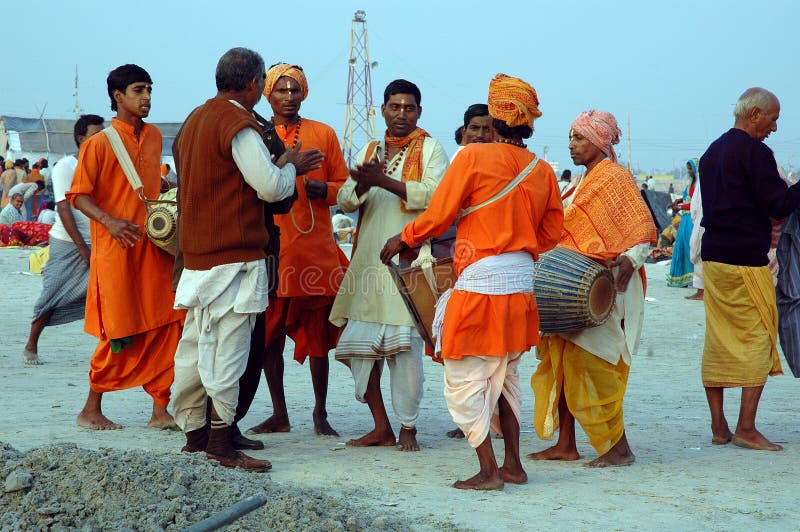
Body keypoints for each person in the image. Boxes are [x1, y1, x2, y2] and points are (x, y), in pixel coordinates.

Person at [382, 73, 563, 489]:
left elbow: (439, 215)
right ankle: (514, 465)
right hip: (521, 285)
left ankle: (488, 471)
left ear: (496, 118)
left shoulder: (472, 157)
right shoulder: (542, 170)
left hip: (481, 281)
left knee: (464, 378)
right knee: (505, 375)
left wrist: (402, 237)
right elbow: (552, 233)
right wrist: (515, 239)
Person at [170, 48, 323, 471]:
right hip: (234, 258)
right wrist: (289, 164)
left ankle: (196, 438)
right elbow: (271, 187)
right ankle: (220, 446)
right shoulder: (239, 124)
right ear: (255, 83)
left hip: (197, 258)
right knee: (228, 352)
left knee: (196, 349)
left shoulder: (194, 120)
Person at [529, 109, 657, 467]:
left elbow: (643, 232)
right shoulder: (578, 184)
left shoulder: (614, 178)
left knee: (596, 366)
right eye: (570, 137)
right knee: (565, 366)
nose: (571, 145)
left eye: (579, 137)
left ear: (600, 141)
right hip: (570, 290)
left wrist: (631, 261)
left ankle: (618, 448)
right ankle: (566, 443)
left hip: (606, 289)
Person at [330, 79, 448, 451]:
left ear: (419, 112)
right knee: (355, 351)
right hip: (368, 266)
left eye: (408, 107)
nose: (401, 114)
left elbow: (435, 197)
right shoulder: (370, 148)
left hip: (408, 264)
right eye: (394, 107)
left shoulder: (431, 148)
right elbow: (346, 200)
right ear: (382, 109)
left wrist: (382, 180)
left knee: (405, 353)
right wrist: (365, 182)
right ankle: (381, 425)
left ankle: (408, 429)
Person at [67, 64, 185, 430]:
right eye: (139, 90)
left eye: (149, 89)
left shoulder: (152, 137)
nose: (147, 97)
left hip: (154, 247)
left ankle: (160, 409)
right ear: (118, 96)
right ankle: (91, 408)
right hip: (116, 250)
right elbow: (78, 196)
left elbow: (150, 186)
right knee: (121, 331)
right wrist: (111, 221)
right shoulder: (99, 143)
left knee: (167, 324)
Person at [246, 63, 349, 438]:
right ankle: (279, 413)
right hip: (272, 250)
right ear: (267, 94)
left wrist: (328, 191)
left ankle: (320, 413)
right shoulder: (253, 134)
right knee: (268, 337)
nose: (288, 97)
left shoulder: (323, 133)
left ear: (304, 93)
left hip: (314, 252)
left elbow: (346, 186)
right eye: (281, 91)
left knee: (317, 337)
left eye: (295, 90)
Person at [698, 87, 800, 451]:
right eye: (773, 119)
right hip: (744, 258)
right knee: (759, 337)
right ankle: (746, 428)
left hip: (714, 258)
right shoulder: (755, 152)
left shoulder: (712, 151)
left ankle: (719, 426)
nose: (774, 127)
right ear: (755, 114)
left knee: (719, 338)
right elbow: (778, 204)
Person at [23, 115, 104, 365]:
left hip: (99, 241)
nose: (102, 139)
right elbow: (64, 208)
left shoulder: (105, 165)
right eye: (96, 134)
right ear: (81, 139)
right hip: (67, 242)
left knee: (104, 295)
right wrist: (83, 249)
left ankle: (110, 348)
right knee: (53, 292)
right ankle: (32, 343)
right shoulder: (65, 167)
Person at [666, 159, 698, 287]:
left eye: (691, 169)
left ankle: (693, 278)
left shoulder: (699, 185)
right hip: (685, 220)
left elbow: (695, 204)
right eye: (688, 169)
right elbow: (686, 197)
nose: (689, 171)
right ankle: (681, 278)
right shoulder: (691, 183)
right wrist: (677, 201)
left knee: (690, 247)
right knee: (681, 246)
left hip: (691, 220)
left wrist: (680, 207)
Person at [687, 161, 705, 300]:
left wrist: (695, 221)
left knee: (698, 256)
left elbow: (694, 207)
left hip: (701, 222)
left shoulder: (701, 182)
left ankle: (701, 292)